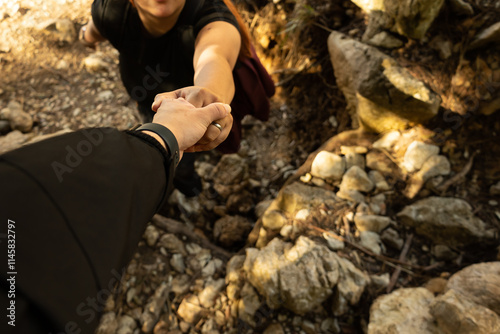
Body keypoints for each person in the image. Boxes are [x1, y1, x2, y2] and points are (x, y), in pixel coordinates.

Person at [0, 97, 231, 334]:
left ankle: (187, 189)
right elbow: (24, 204)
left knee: (184, 163)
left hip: (164, 118)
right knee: (181, 161)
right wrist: (163, 136)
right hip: (155, 114)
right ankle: (183, 187)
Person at [80, 0, 270, 196]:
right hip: (147, 103)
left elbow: (214, 58)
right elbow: (94, 30)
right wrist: (85, 36)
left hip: (187, 116)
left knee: (179, 160)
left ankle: (190, 190)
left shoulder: (212, 16)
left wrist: (209, 97)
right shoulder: (110, 9)